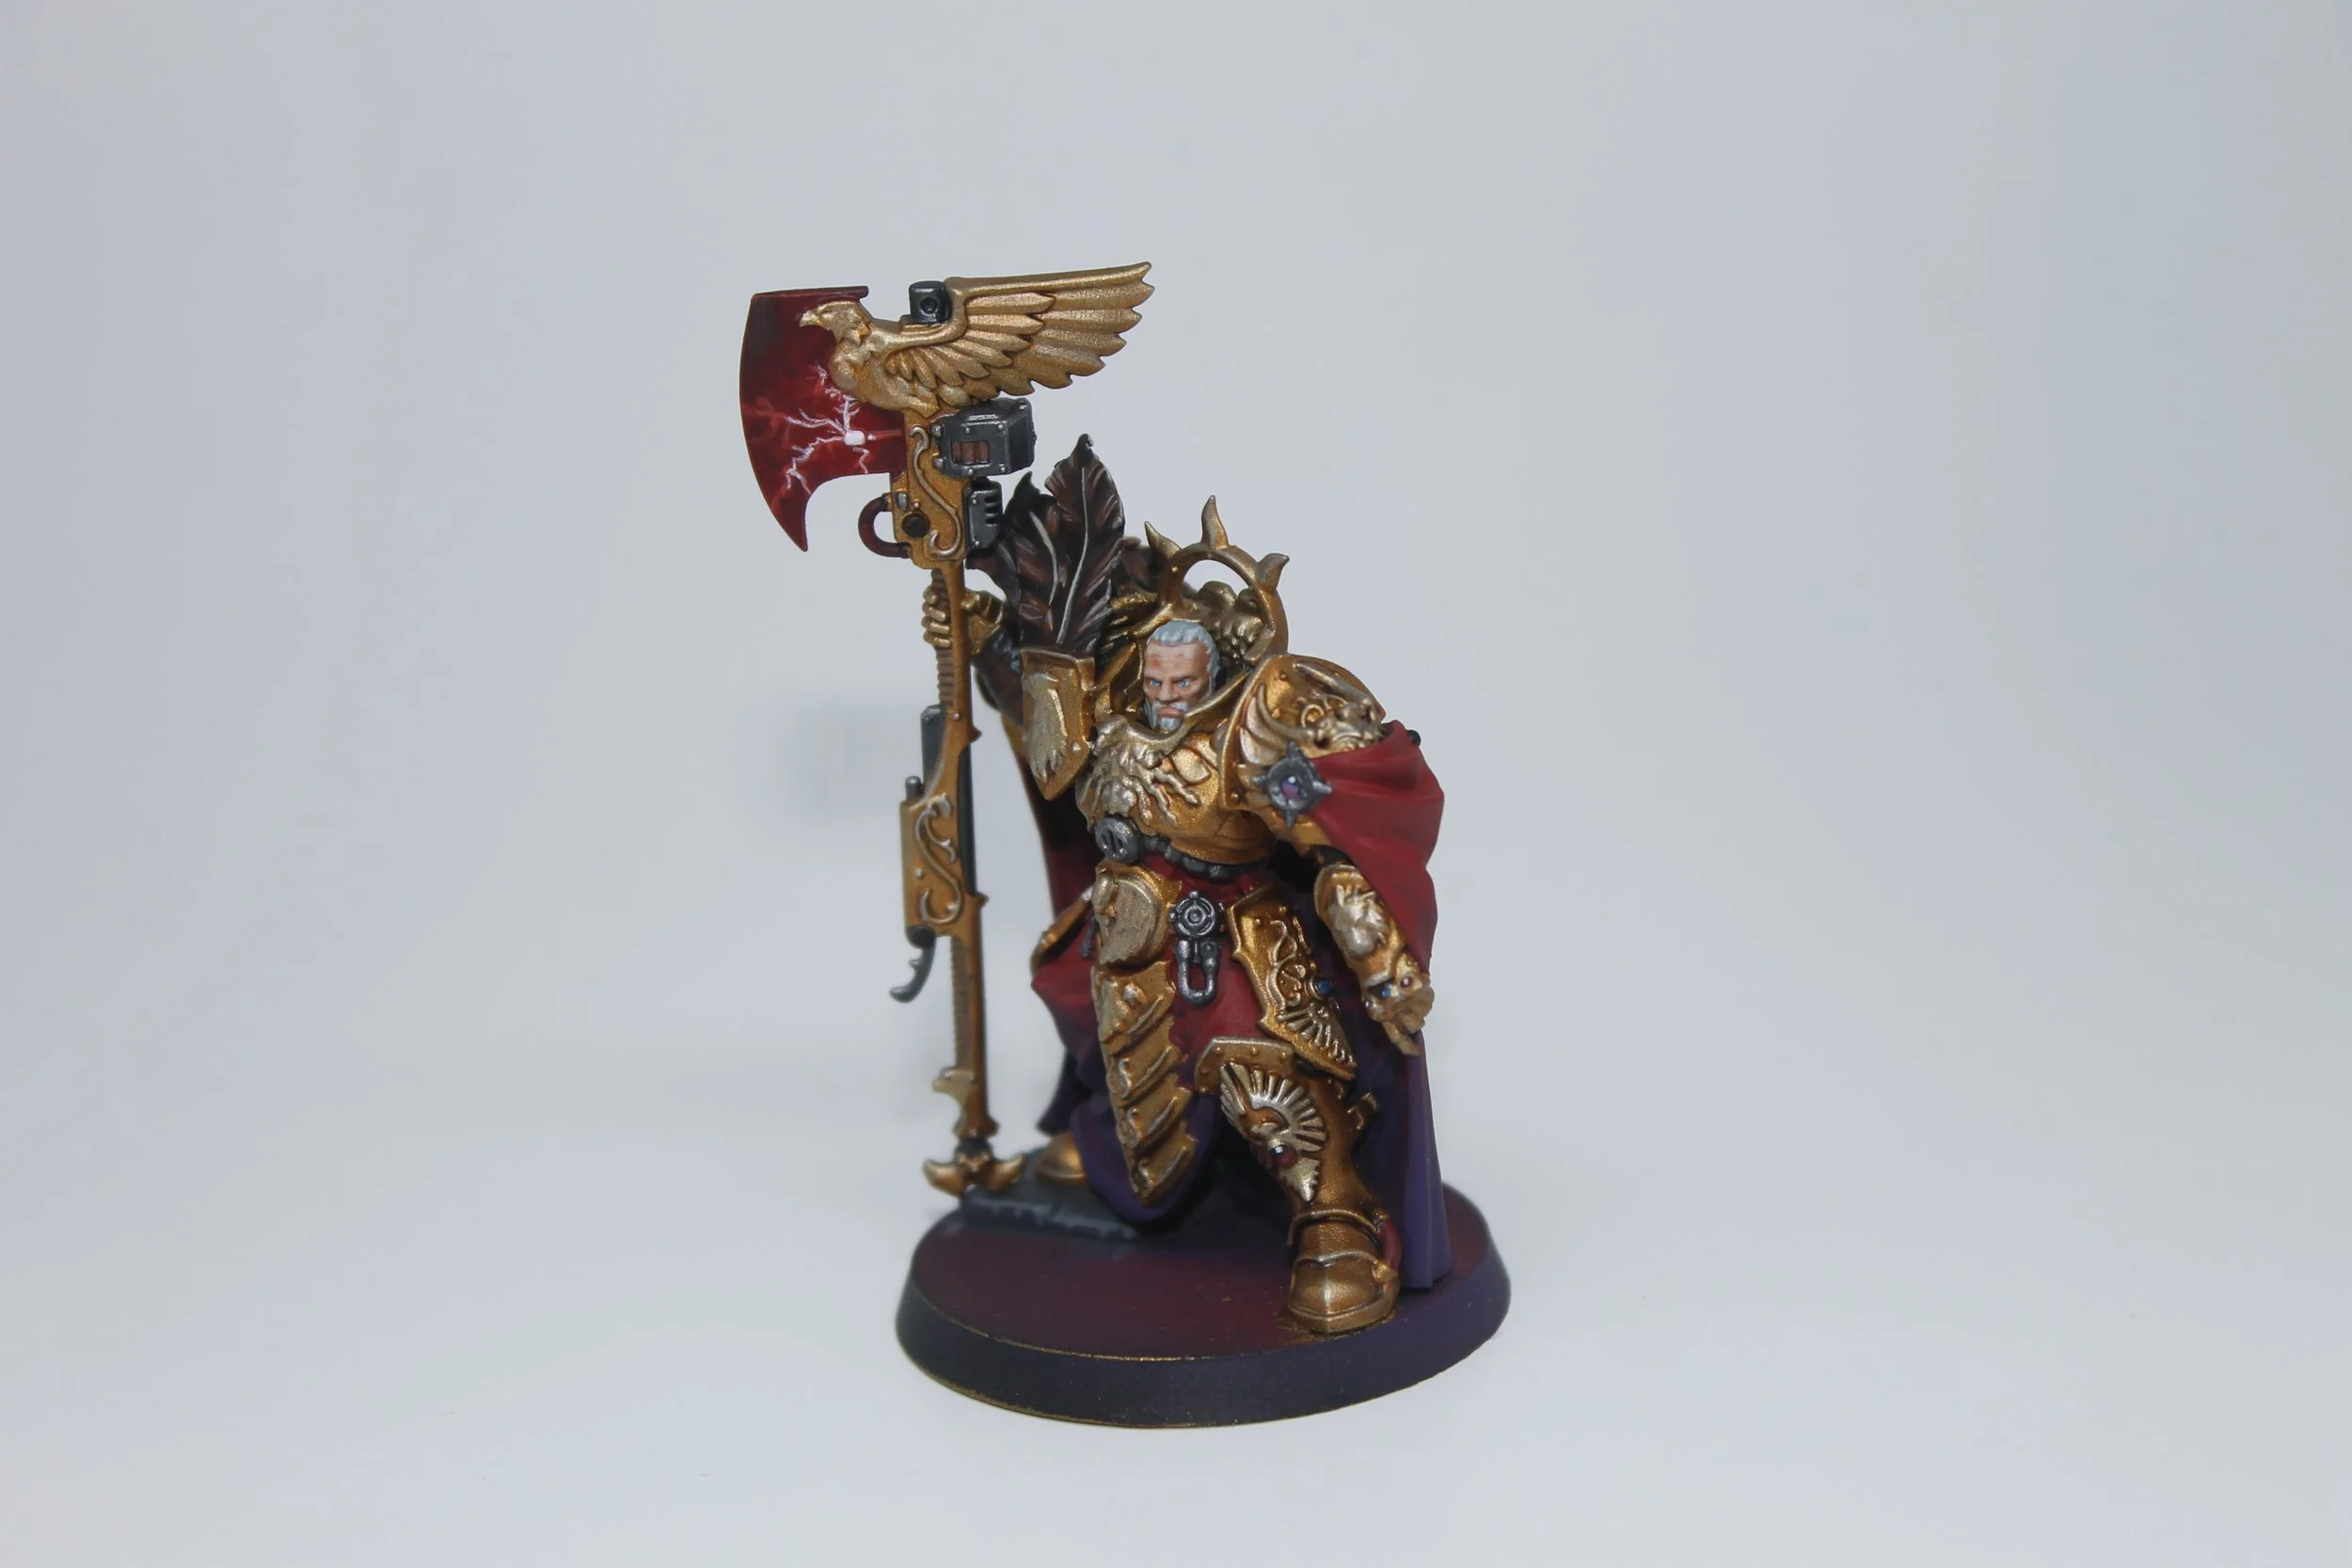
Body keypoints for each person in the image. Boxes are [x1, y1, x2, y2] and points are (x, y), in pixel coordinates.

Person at [940, 444, 1451, 1334]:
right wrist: (985, 648)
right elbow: (1051, 754)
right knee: (1079, 1005)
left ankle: (1333, 1213)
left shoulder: (1246, 734)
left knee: (1261, 1072)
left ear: (1210, 675)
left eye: (1182, 683)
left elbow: (1322, 831)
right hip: (1126, 926)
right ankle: (1107, 1143)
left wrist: (1369, 936)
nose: (1168, 697)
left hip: (1231, 932)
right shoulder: (1119, 728)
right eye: (1157, 682)